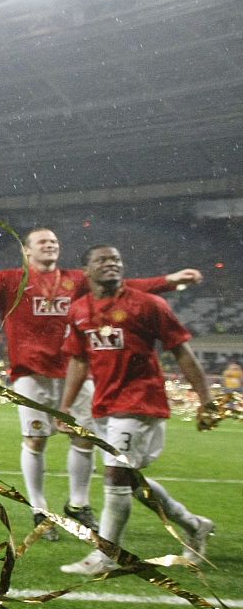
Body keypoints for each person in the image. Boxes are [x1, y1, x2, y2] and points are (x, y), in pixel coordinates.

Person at [0, 230, 200, 537]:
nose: (50, 245)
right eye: (43, 242)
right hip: (30, 374)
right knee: (35, 440)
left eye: (54, 242)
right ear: (27, 251)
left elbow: (130, 288)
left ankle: (79, 505)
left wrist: (171, 280)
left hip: (75, 370)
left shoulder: (76, 280)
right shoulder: (10, 279)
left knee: (83, 438)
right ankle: (40, 510)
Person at [58, 245, 215, 575]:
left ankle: (106, 556)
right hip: (105, 406)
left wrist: (205, 397)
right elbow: (78, 359)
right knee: (128, 480)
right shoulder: (79, 311)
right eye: (102, 260)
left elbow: (182, 352)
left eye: (116, 259)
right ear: (86, 271)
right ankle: (194, 524)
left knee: (115, 473)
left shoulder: (148, 304)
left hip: (141, 402)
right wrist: (66, 406)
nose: (111, 264)